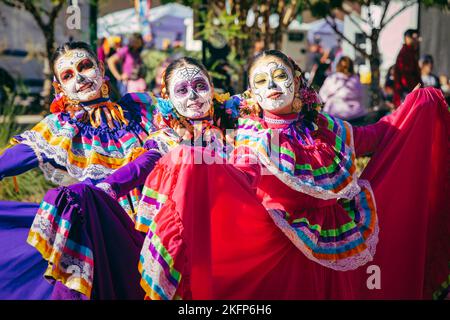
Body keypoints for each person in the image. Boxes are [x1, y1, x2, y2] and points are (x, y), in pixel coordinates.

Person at [136, 49, 449, 300]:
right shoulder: (250, 133)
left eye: (279, 76)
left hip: (334, 244)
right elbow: (242, 178)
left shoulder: (323, 127)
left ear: (297, 82)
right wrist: (193, 163)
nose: (272, 86)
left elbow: (374, 136)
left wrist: (415, 105)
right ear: (252, 95)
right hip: (279, 249)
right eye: (260, 82)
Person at [25, 57, 243, 300]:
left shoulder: (238, 126)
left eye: (200, 86)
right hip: (192, 243)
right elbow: (142, 165)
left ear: (212, 88)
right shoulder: (166, 140)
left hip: (240, 233)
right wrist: (105, 190)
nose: (192, 95)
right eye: (182, 90)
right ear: (168, 99)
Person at [0, 41, 161, 299]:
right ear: (59, 88)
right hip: (108, 234)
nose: (80, 77)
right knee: (73, 200)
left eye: (85, 66)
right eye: (68, 75)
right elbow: (13, 159)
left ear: (100, 68)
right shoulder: (62, 127)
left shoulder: (140, 109)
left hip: (156, 224)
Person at [319, 56, 367, 124]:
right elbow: (362, 95)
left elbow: (322, 96)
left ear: (338, 66)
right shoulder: (356, 79)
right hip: (357, 116)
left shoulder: (333, 78)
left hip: (336, 117)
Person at [393, 29, 422, 107]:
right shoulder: (405, 54)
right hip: (407, 91)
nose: (418, 40)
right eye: (415, 37)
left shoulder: (411, 53)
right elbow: (405, 77)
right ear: (407, 38)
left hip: (410, 90)